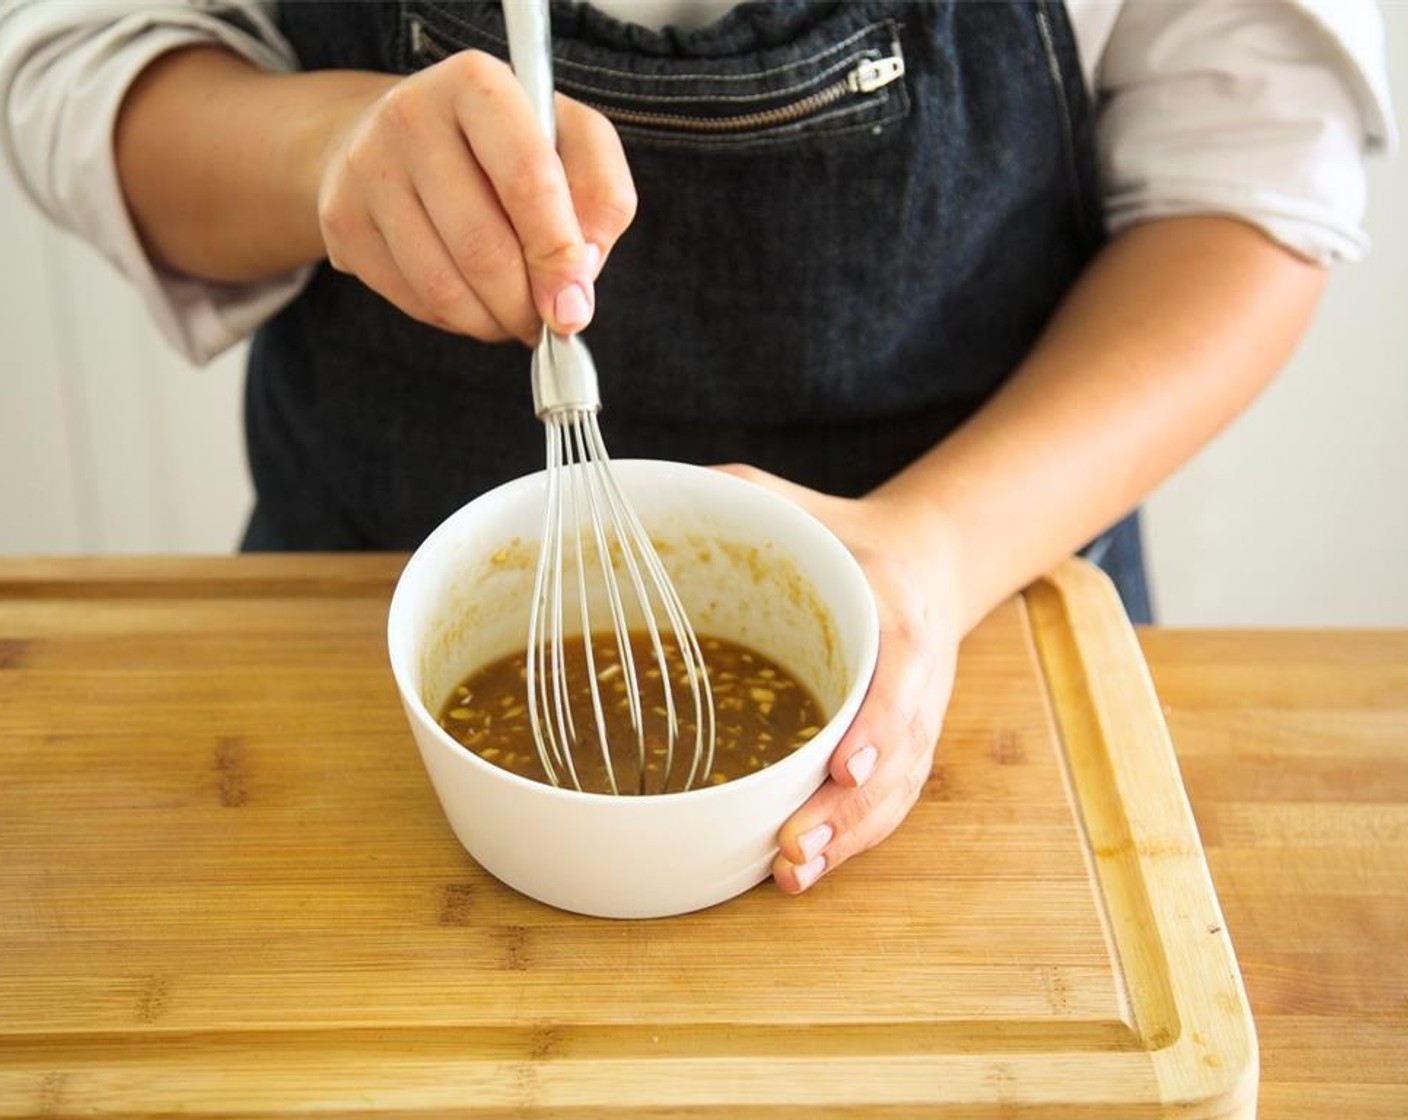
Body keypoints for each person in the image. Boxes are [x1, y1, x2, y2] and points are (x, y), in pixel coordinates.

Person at [0, 0, 1395, 895]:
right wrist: (326, 152)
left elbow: (1255, 179)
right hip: (336, 657)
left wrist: (940, 551)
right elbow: (75, 67)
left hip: (991, 617)